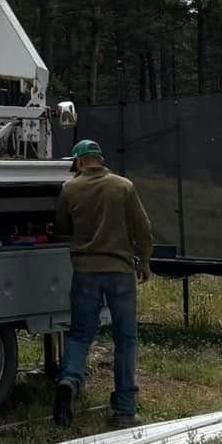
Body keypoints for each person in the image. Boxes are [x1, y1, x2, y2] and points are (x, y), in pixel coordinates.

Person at [51, 138, 153, 427]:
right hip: (120, 272)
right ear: (100, 158)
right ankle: (124, 409)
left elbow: (61, 228)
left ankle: (69, 380)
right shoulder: (124, 186)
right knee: (125, 339)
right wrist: (144, 261)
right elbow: (143, 228)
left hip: (85, 272)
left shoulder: (70, 189)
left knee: (80, 335)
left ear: (79, 162)